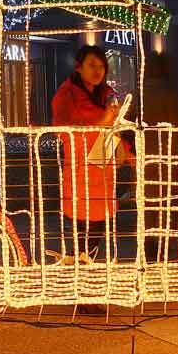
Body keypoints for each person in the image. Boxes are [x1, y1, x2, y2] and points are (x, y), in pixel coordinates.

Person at [51, 45, 133, 269]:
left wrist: (126, 151)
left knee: (96, 232)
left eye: (101, 66)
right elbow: (62, 130)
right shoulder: (66, 94)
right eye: (92, 65)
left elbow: (110, 131)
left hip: (101, 171)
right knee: (82, 235)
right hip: (80, 173)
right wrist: (102, 122)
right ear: (79, 67)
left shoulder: (105, 95)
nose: (98, 71)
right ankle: (84, 296)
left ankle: (89, 289)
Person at [142, 52, 178, 264]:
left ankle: (150, 252)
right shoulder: (172, 95)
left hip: (146, 160)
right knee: (168, 209)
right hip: (170, 160)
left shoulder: (141, 95)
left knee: (149, 209)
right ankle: (165, 252)